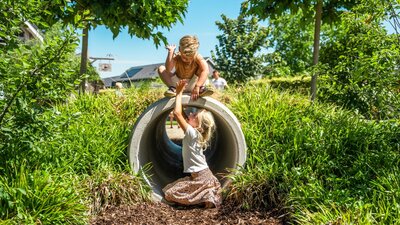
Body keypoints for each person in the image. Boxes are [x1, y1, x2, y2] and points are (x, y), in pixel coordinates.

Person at [162, 80, 222, 208]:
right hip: (203, 174)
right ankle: (207, 196)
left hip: (201, 175)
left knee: (170, 193)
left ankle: (206, 197)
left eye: (194, 115)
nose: (190, 114)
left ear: (198, 125)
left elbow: (178, 114)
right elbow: (183, 116)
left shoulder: (192, 133)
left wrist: (179, 93)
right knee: (173, 189)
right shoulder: (195, 133)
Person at [158, 35, 213, 100]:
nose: (186, 60)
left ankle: (201, 88)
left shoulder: (197, 56)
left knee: (203, 68)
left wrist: (197, 86)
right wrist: (171, 52)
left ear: (194, 52)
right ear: (179, 49)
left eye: (190, 58)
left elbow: (205, 70)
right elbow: (168, 69)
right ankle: (172, 89)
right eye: (184, 57)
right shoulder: (177, 56)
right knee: (161, 68)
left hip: (194, 83)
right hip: (178, 83)